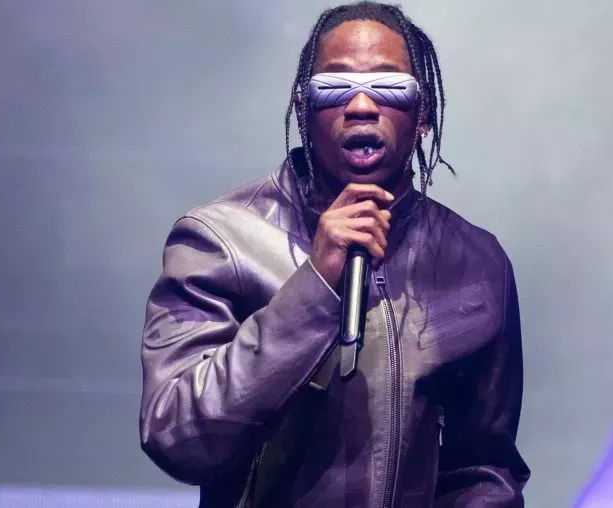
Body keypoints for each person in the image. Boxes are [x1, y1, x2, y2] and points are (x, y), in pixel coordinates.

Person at [139, 2, 530, 506]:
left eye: (389, 86)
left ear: (424, 114)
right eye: (335, 87)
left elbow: (483, 469)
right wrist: (315, 287)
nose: (362, 105)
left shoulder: (474, 263)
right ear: (304, 109)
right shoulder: (222, 239)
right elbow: (178, 437)